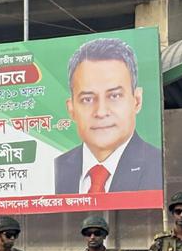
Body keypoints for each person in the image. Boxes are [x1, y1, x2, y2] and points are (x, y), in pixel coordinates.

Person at [54, 37, 162, 194]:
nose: (101, 112)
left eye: (114, 96)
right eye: (87, 99)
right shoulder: (55, 168)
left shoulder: (158, 165)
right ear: (71, 109)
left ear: (137, 100)